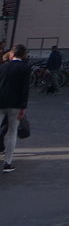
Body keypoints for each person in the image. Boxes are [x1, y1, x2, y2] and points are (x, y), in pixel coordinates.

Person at [0, 44, 31, 173]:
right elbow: (25, 89)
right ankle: (8, 163)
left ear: (12, 54)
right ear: (23, 55)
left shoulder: (3, 67)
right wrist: (23, 106)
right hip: (15, 104)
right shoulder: (25, 68)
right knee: (12, 132)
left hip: (0, 102)